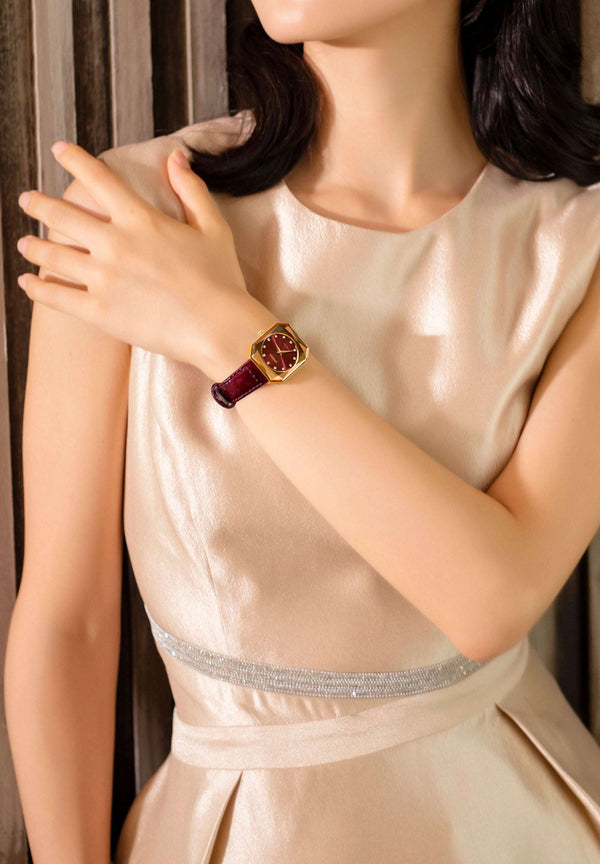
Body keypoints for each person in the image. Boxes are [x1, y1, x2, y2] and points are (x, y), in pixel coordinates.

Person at [5, 1, 600, 861]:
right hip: (232, 827)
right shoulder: (132, 214)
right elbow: (69, 621)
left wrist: (225, 330)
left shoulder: (575, 243)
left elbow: (491, 600)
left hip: (503, 820)